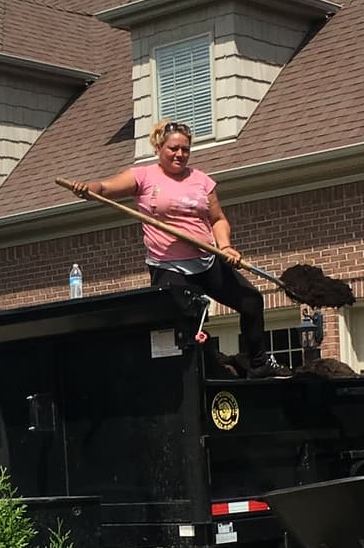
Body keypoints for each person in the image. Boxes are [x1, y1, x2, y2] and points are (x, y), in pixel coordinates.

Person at [65, 119, 274, 375]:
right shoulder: (143, 177)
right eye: (173, 148)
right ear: (158, 148)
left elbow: (218, 219)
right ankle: (203, 372)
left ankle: (259, 363)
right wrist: (89, 188)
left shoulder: (201, 181)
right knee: (190, 323)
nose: (180, 154)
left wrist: (226, 246)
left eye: (185, 149)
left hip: (207, 260)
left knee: (251, 300)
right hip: (169, 267)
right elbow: (105, 187)